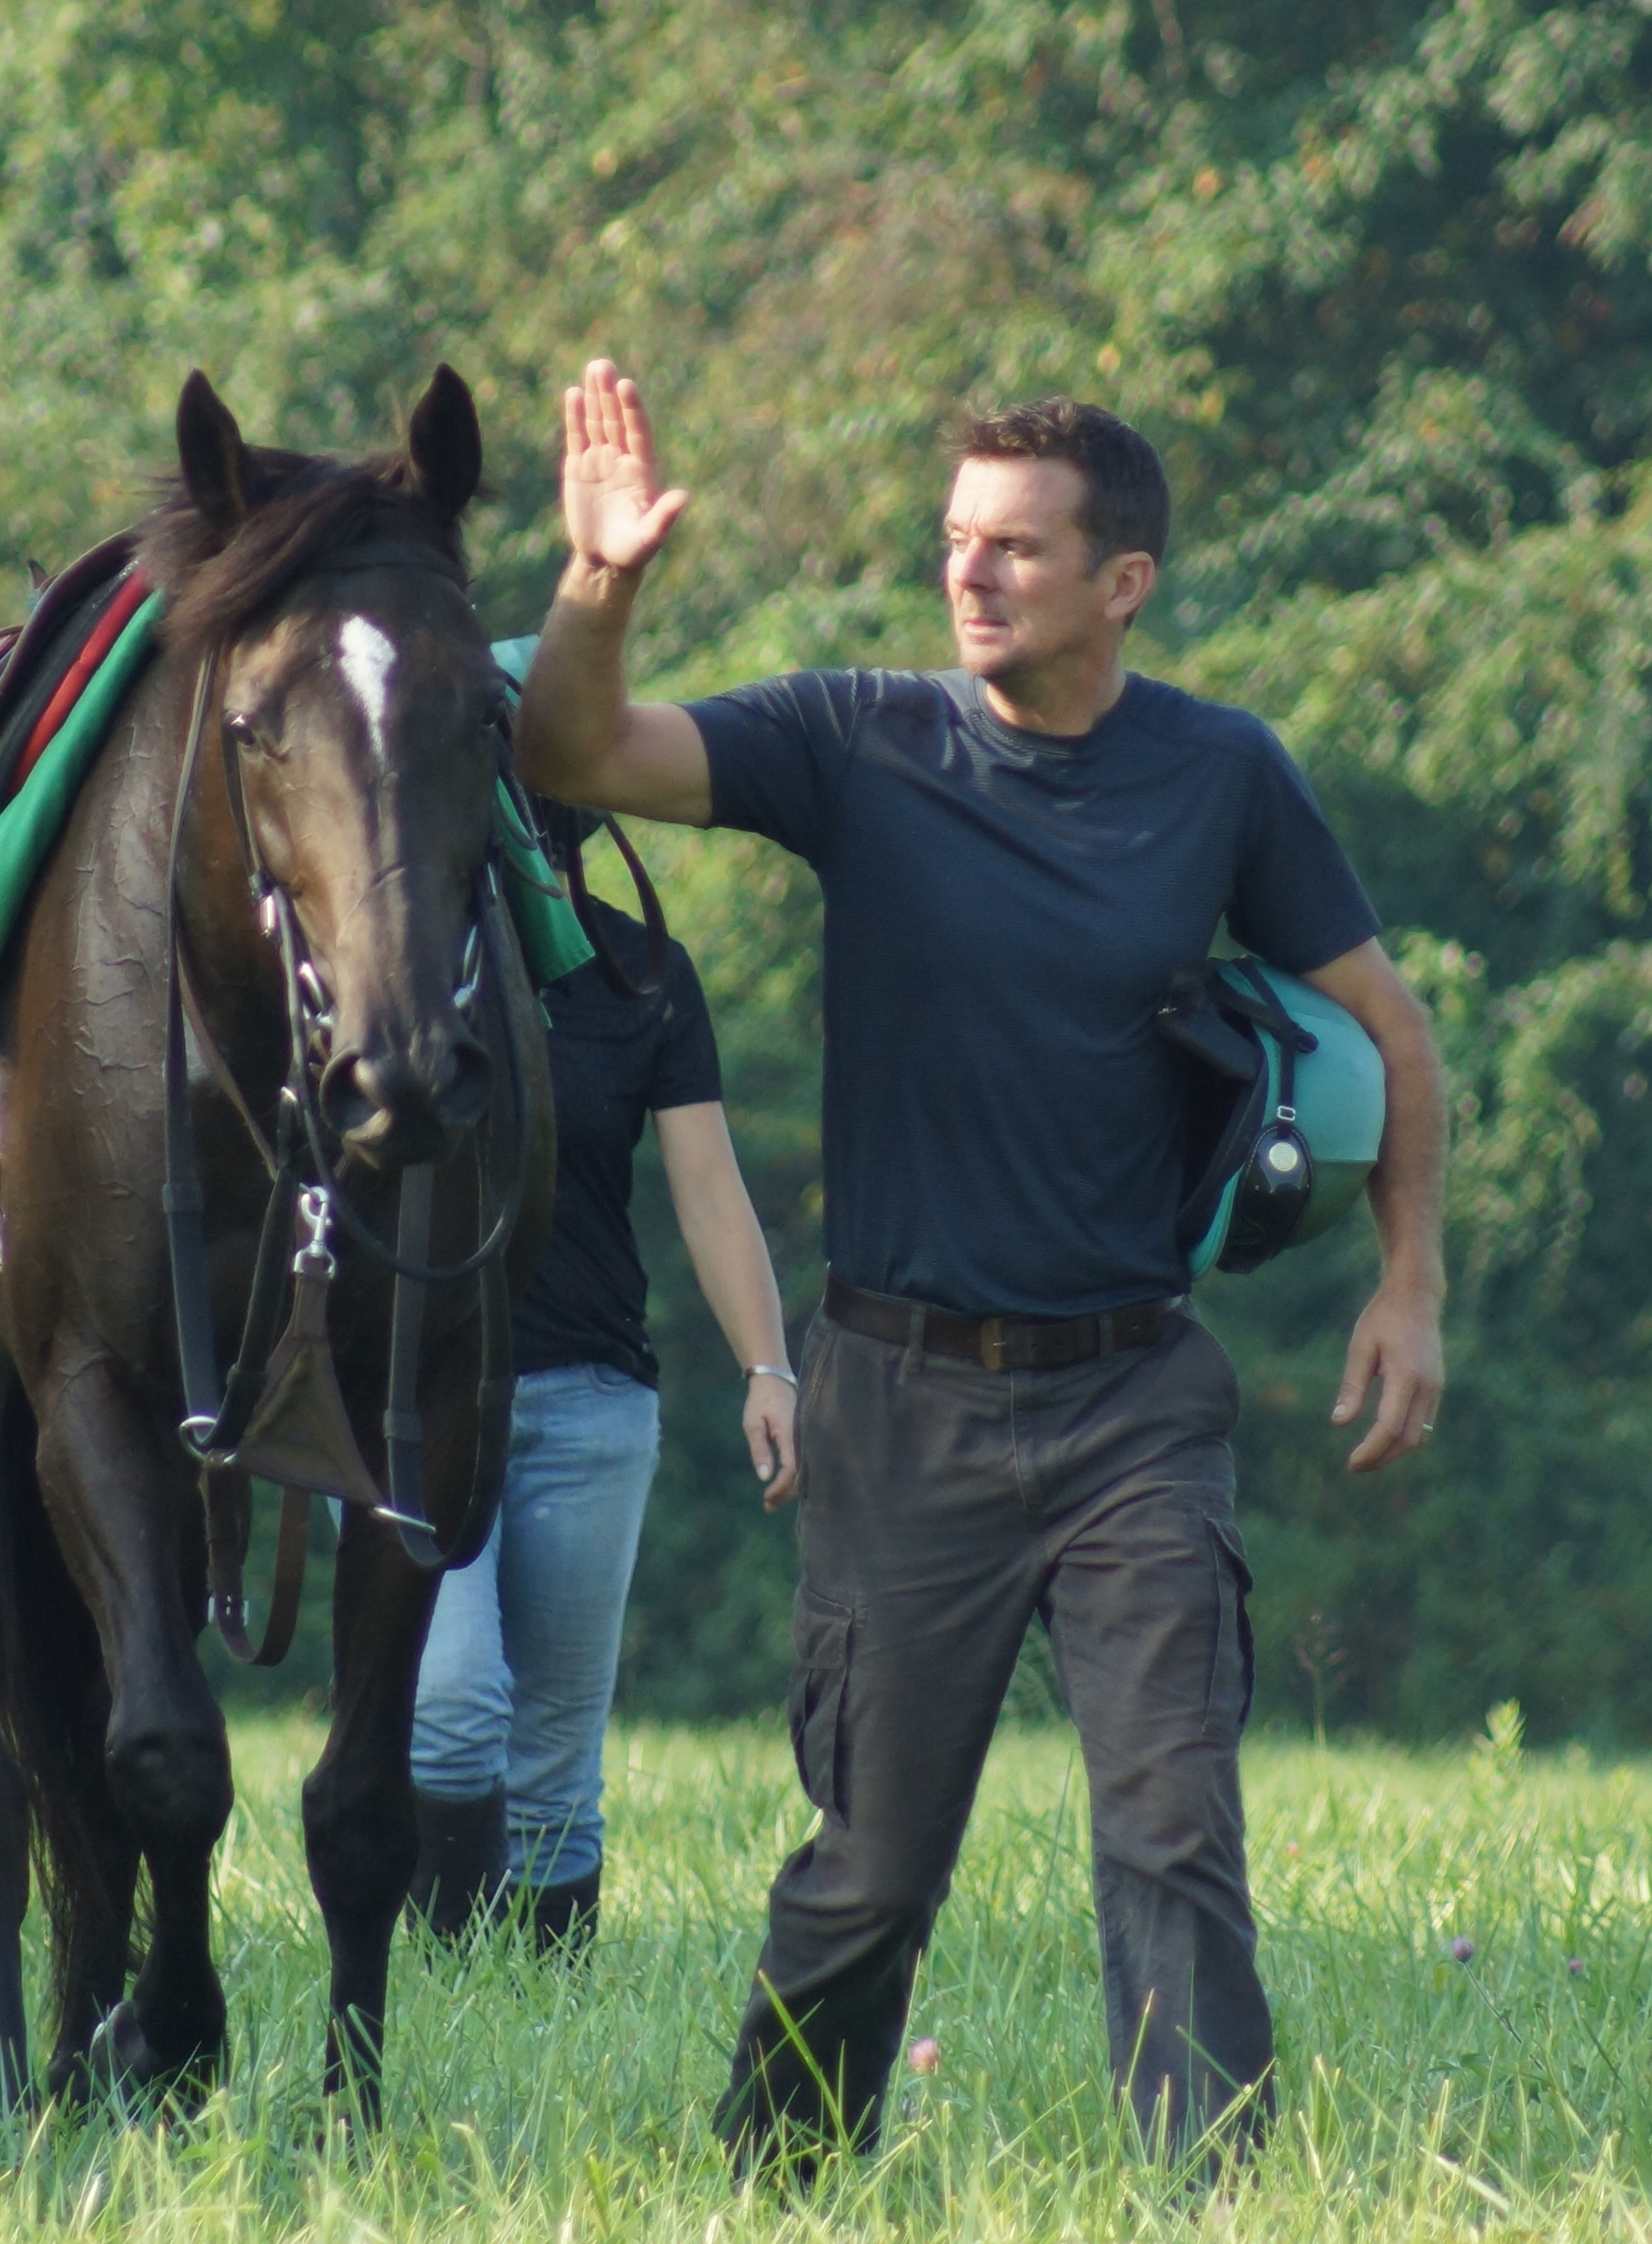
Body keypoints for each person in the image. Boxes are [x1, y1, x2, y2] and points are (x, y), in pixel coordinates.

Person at [516, 361, 1450, 2174]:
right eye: (957, 539)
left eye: (1016, 547)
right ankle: (781, 2184)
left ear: (1125, 580)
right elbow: (573, 753)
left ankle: (1209, 2194)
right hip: (899, 1398)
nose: (971, 572)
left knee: (1173, 1830)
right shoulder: (858, 741)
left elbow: (1391, 1027)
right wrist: (599, 582)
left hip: (1133, 1398)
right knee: (871, 1870)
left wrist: (1407, 1282)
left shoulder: (1223, 775)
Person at [402, 798, 799, 1951]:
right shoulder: (395, 969)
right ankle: (442, 1980)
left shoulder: (641, 975)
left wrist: (768, 1366)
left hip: (592, 1399)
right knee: (454, 1704)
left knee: (557, 1764)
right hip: (412, 1395)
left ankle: (542, 2009)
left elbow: (709, 1189)